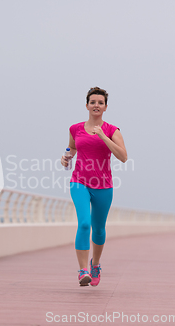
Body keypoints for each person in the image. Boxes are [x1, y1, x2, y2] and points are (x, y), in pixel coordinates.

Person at [61, 87, 127, 287]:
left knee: (98, 229)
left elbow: (123, 157)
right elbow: (72, 148)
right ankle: (82, 271)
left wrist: (103, 137)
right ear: (87, 105)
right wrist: (66, 158)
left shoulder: (112, 130)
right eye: (93, 102)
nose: (96, 105)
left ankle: (95, 264)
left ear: (105, 107)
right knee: (84, 224)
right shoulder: (75, 128)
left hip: (103, 185)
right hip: (79, 181)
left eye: (100, 102)